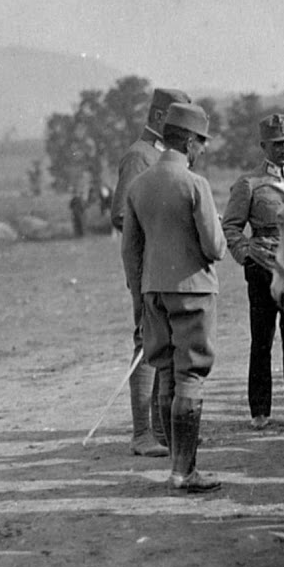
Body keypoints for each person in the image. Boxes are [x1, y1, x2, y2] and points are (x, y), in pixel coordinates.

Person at [121, 102, 228, 493]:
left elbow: (130, 251)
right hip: (193, 291)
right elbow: (215, 247)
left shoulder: (138, 185)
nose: (203, 149)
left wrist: (141, 294)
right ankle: (185, 472)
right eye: (202, 142)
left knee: (166, 372)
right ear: (188, 142)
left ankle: (175, 467)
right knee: (190, 376)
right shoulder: (196, 184)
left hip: (152, 291)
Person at [222, 113, 284, 430]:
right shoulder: (249, 184)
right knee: (262, 341)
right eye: (277, 144)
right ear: (264, 146)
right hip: (263, 270)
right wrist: (246, 254)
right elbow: (231, 227)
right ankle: (260, 410)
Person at [111, 87, 193, 457]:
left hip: (167, 264)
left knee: (167, 342)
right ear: (159, 117)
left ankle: (161, 430)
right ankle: (142, 433)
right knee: (147, 341)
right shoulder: (139, 156)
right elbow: (121, 213)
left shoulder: (162, 155)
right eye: (177, 120)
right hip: (146, 264)